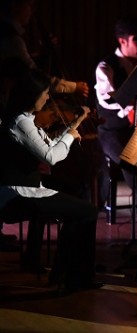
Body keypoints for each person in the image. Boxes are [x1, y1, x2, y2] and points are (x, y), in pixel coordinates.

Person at [0, 67, 101, 291]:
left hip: (27, 186)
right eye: (45, 93)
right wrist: (70, 138)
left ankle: (64, 272)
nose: (48, 98)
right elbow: (51, 157)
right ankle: (75, 276)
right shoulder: (21, 122)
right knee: (87, 211)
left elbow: (49, 147)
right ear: (31, 95)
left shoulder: (25, 118)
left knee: (77, 194)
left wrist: (72, 129)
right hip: (17, 192)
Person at [94, 17, 137, 207]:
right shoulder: (105, 67)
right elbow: (107, 99)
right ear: (122, 41)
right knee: (133, 162)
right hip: (112, 132)